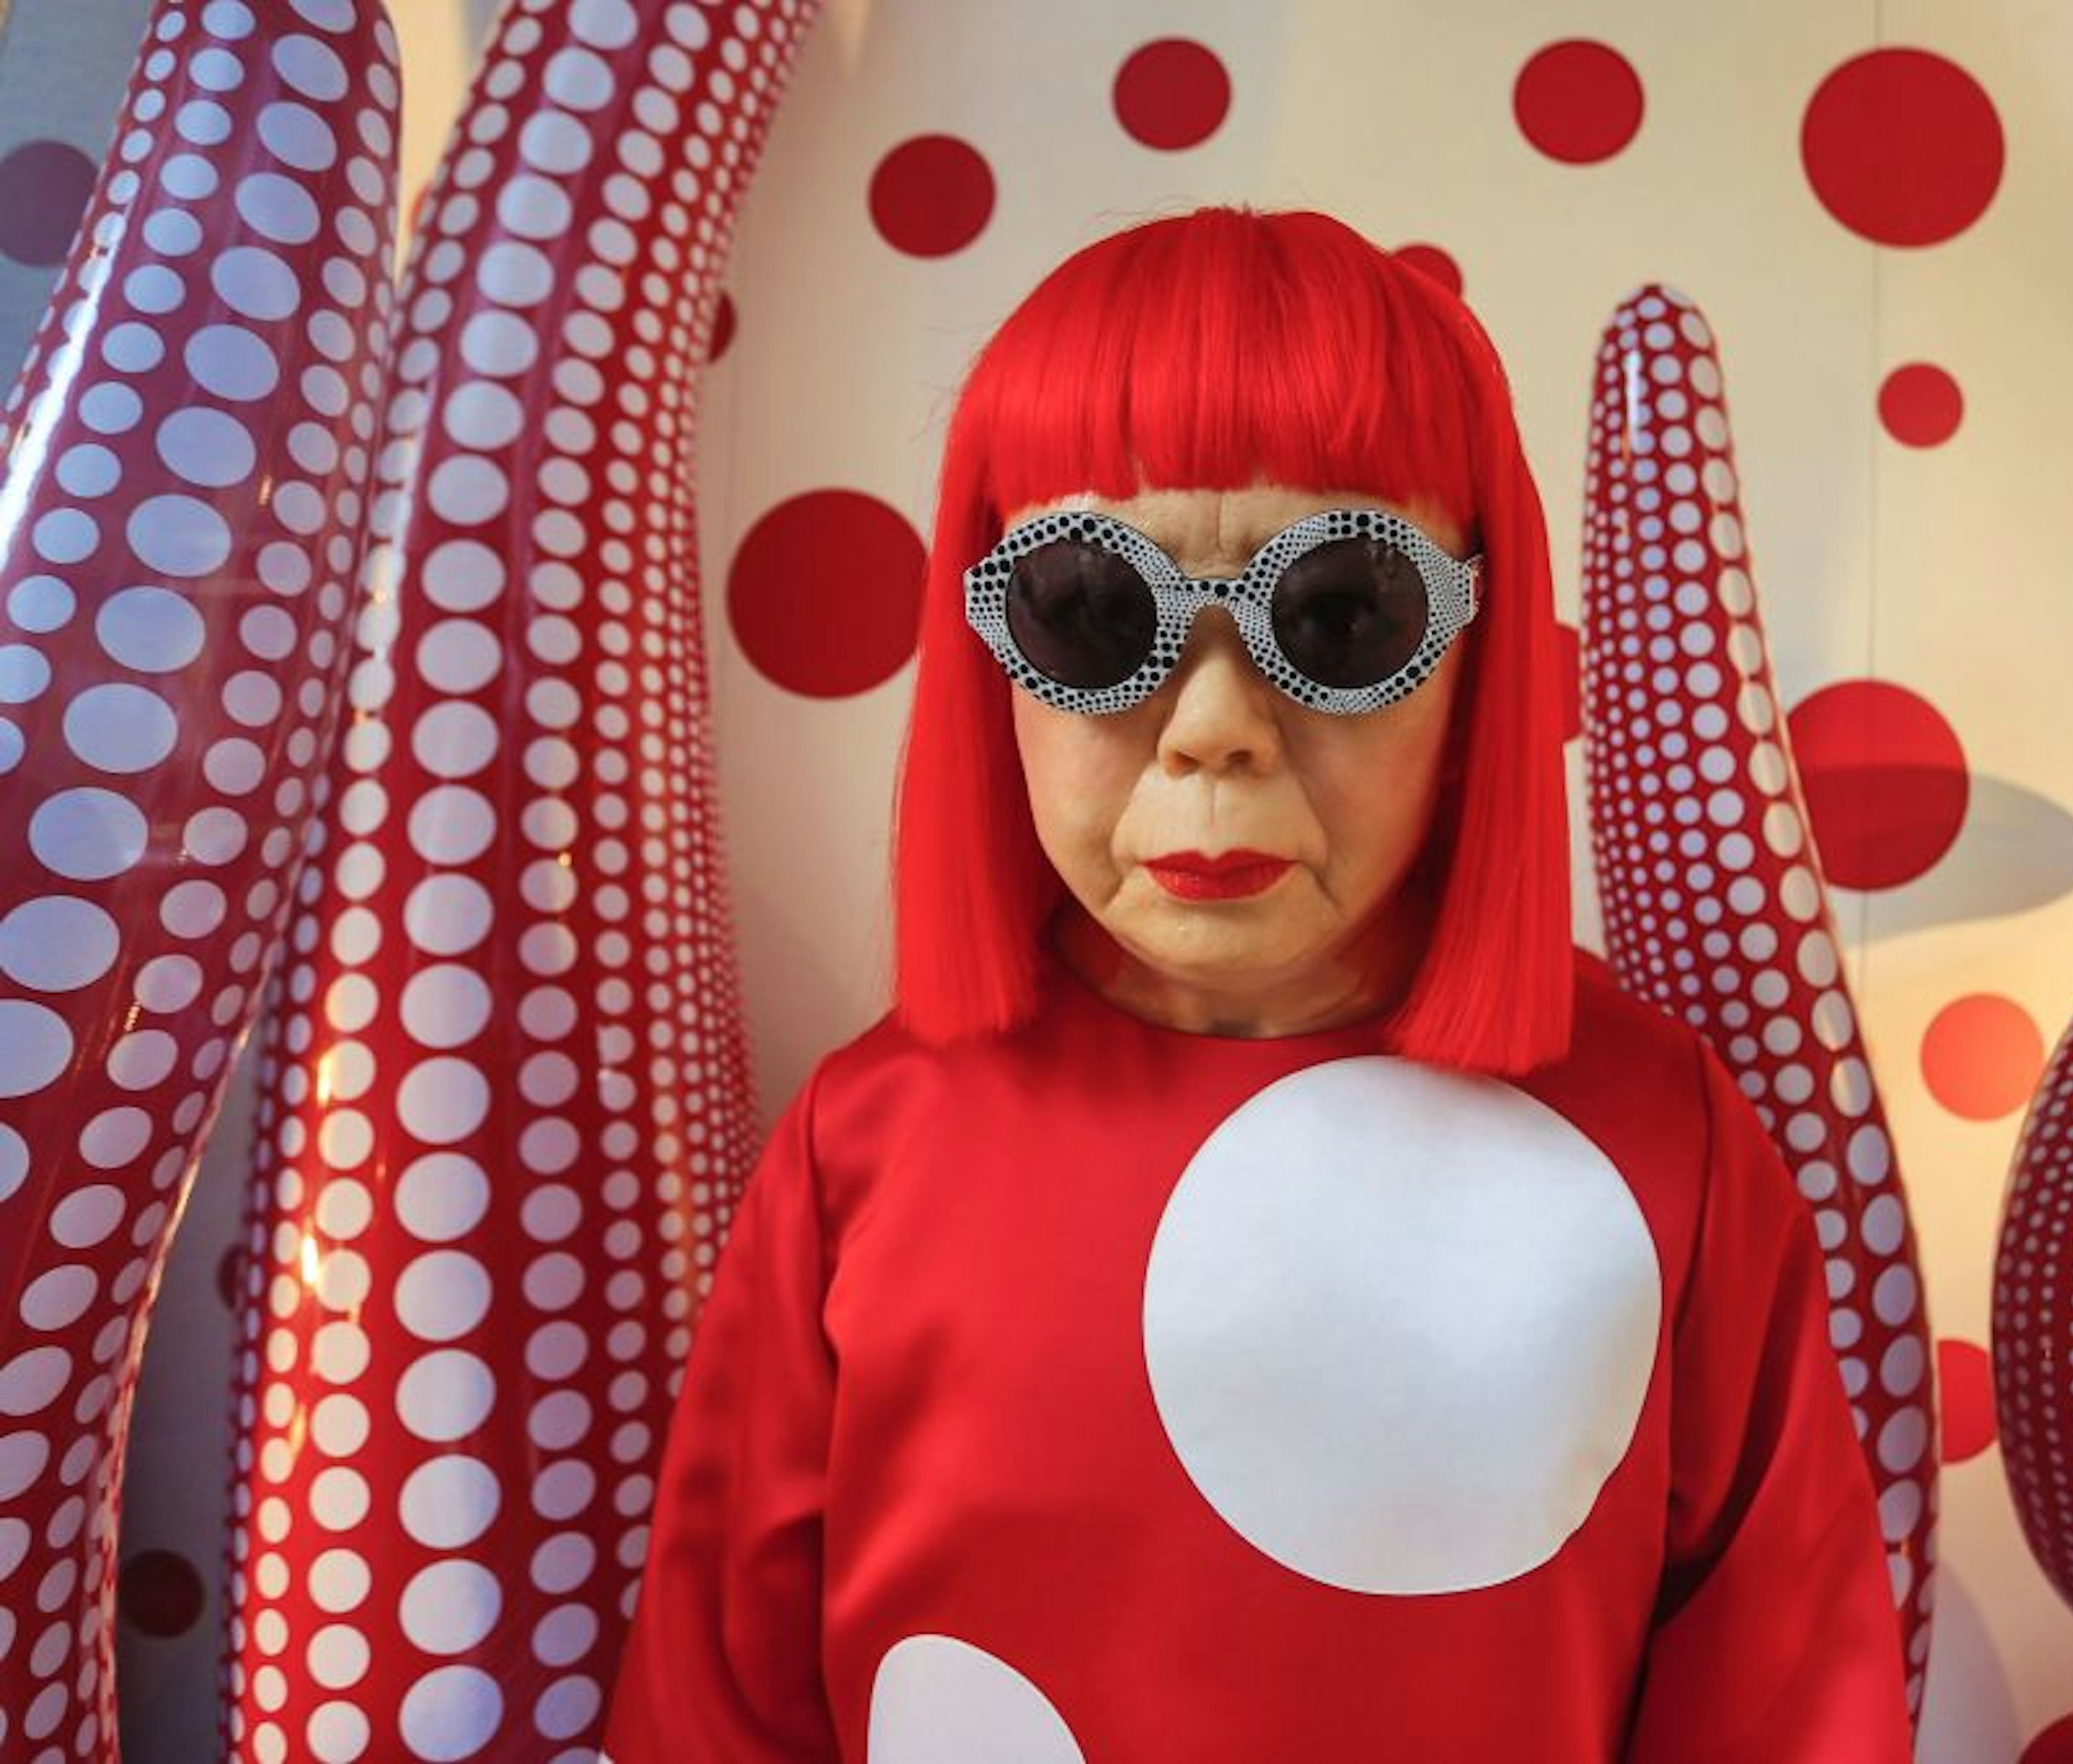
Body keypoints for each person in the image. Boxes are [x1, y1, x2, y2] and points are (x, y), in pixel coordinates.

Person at [601, 205, 1912, 1763]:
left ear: (1476, 652)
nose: (1212, 722)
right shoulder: (864, 1146)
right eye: (1090, 610)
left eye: (1342, 615)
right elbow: (718, 1714)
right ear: (989, 653)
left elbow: (1782, 1707)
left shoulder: (1660, 1140)